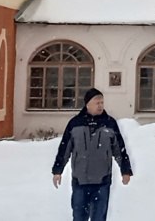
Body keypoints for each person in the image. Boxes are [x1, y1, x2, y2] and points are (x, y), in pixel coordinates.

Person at [52, 88, 133, 221]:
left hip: (102, 181)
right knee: (79, 217)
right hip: (80, 181)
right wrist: (57, 170)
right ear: (87, 104)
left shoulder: (109, 123)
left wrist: (125, 170)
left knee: (99, 217)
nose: (100, 105)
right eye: (97, 102)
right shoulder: (75, 124)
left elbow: (119, 149)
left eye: (102, 102)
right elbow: (64, 149)